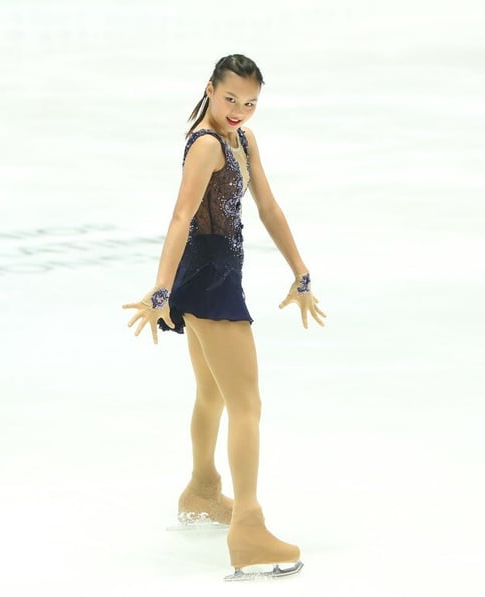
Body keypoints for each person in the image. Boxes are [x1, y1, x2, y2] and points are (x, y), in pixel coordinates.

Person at [122, 54, 326, 580]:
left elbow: (269, 207)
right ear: (210, 90)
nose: (240, 110)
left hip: (214, 275)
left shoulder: (243, 140)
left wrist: (300, 271)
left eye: (251, 103)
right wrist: (162, 288)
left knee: (212, 394)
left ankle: (203, 490)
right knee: (248, 404)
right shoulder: (208, 145)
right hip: (209, 281)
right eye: (231, 98)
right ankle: (249, 528)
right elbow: (181, 215)